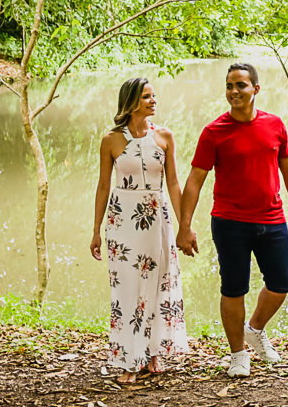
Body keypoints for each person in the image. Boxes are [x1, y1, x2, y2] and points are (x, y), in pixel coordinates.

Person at [176, 63, 288, 378]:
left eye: (241, 85)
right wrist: (185, 226)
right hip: (230, 221)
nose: (234, 91)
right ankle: (238, 354)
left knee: (280, 283)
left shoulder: (275, 125)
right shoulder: (214, 132)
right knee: (233, 288)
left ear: (256, 89)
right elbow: (195, 181)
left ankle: (255, 330)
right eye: (229, 86)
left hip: (272, 219)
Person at [91, 77, 189, 384]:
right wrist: (95, 230)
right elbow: (104, 185)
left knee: (157, 283)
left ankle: (154, 352)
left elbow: (173, 182)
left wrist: (185, 223)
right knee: (128, 289)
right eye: (146, 96)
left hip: (156, 217)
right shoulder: (111, 140)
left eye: (153, 95)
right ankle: (129, 360)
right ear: (131, 101)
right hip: (123, 222)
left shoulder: (165, 137)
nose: (153, 100)